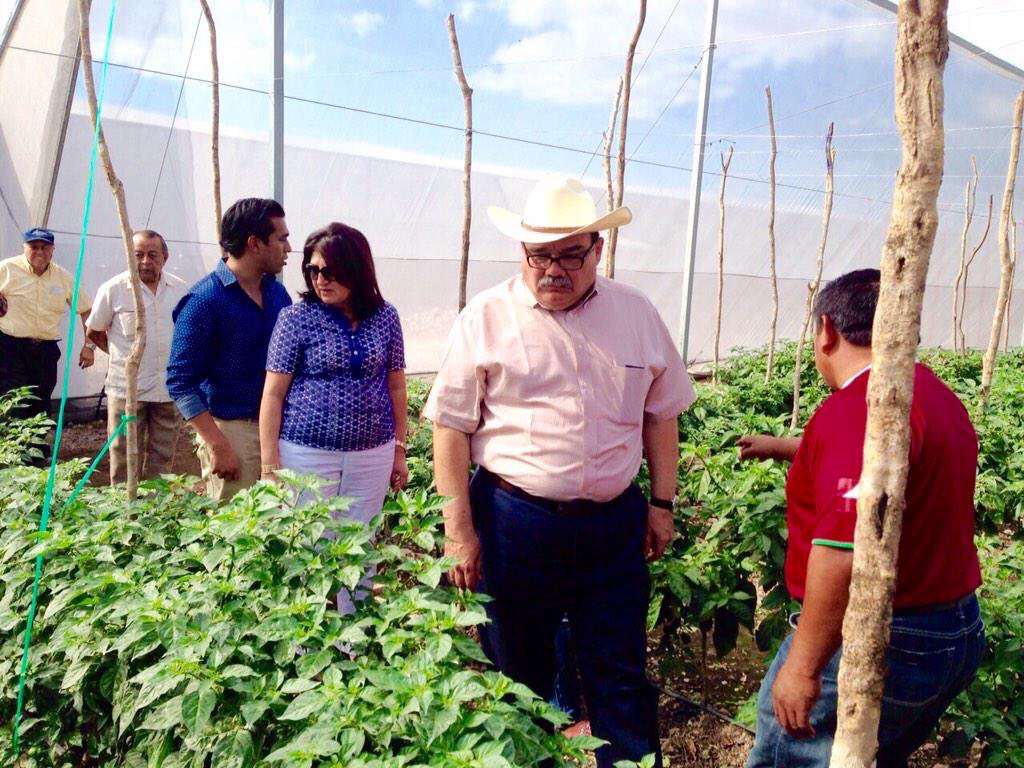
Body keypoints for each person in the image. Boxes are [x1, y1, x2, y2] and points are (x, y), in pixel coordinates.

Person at [424, 174, 696, 768]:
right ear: (522, 252)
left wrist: (661, 503)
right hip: (514, 520)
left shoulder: (637, 314)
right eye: (539, 255)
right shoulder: (487, 316)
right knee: (517, 680)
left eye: (570, 255)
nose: (553, 269)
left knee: (620, 673)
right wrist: (458, 531)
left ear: (597, 249)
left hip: (612, 528)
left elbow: (661, 414)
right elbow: (450, 426)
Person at [740, 269, 984, 768]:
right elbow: (883, 467)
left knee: (791, 754)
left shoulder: (859, 411)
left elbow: (840, 551)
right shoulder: (933, 394)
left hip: (888, 636)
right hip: (952, 631)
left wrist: (803, 667)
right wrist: (786, 448)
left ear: (826, 330)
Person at [259, 222, 408, 613]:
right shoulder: (296, 319)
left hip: (372, 452)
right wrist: (269, 466)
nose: (320, 279)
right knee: (308, 546)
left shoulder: (386, 317)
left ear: (356, 269)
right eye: (312, 270)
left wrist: (399, 450)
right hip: (306, 454)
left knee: (360, 544)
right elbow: (273, 395)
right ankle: (303, 648)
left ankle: (351, 644)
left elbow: (396, 386)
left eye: (329, 270)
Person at [167, 198, 292, 501]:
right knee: (239, 536)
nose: (288, 248)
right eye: (282, 238)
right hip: (235, 433)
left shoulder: (277, 294)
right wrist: (218, 445)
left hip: (281, 430)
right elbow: (180, 381)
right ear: (254, 243)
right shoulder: (204, 301)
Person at [86, 230, 187, 483]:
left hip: (167, 388)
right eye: (138, 255)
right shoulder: (114, 289)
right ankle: (124, 512)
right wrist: (125, 357)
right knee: (122, 454)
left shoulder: (179, 290)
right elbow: (95, 330)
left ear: (165, 257)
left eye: (152, 255)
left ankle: (155, 511)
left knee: (163, 456)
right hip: (126, 389)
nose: (145, 261)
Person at [0, 227, 94, 462]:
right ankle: (13, 458)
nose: (39, 251)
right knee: (14, 402)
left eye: (44, 247)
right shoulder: (7, 269)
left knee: (42, 403)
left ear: (53, 250)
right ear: (25, 248)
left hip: (45, 350)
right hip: (10, 348)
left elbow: (86, 310)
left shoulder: (62, 276)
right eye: (34, 246)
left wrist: (89, 346)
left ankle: (37, 457)